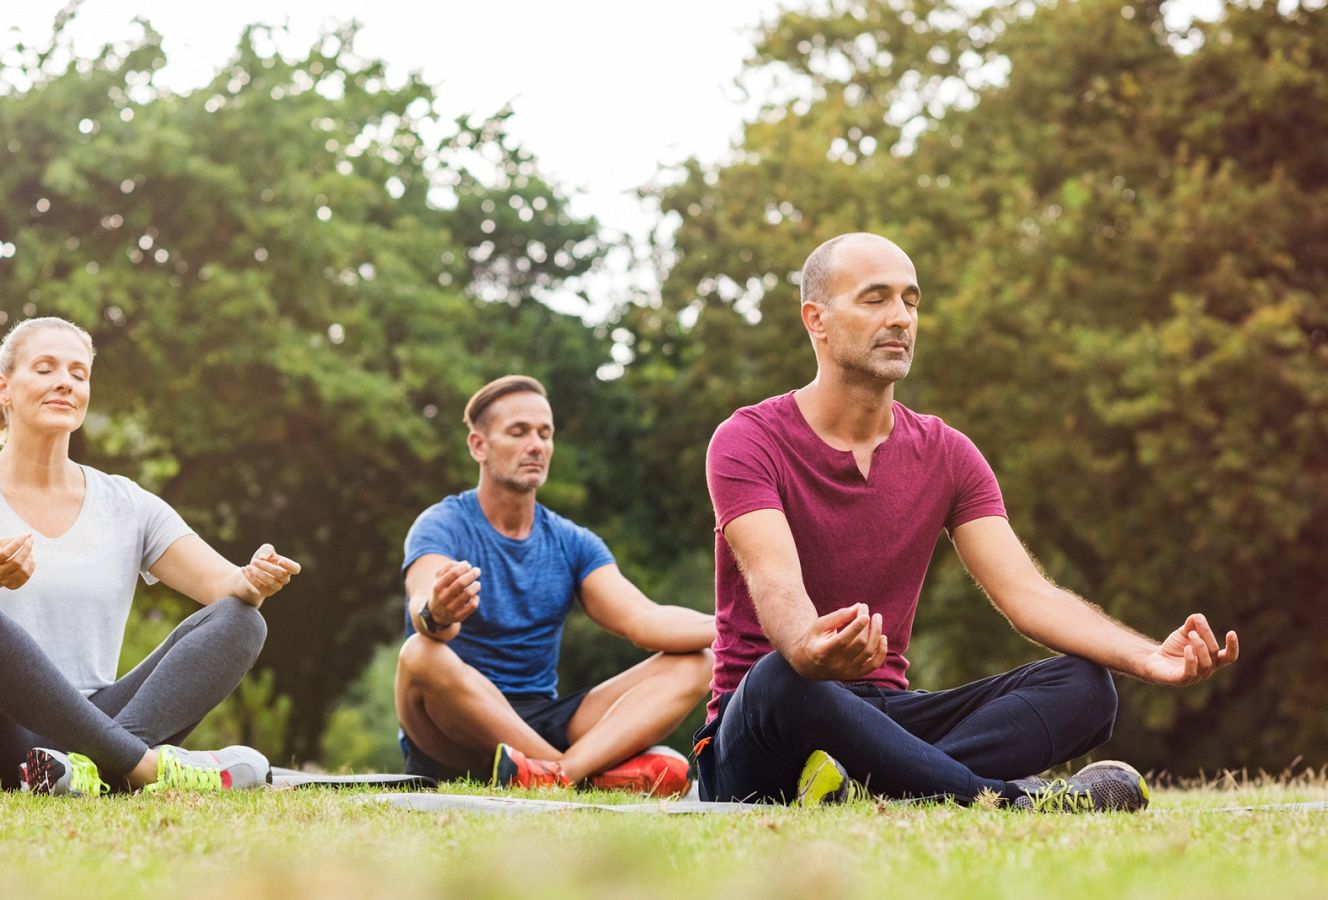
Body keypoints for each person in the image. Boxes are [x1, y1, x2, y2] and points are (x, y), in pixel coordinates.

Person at [695, 233, 1239, 811]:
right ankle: (1008, 802)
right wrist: (807, 646)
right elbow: (775, 582)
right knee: (785, 680)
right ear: (817, 320)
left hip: (883, 714)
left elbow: (1028, 595)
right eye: (875, 299)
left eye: (911, 300)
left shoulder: (948, 453)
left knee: (1086, 686)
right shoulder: (747, 440)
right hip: (764, 730)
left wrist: (1148, 657)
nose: (901, 318)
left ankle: (882, 790)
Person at [0, 317, 302, 795]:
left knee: (243, 622)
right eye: (45, 368)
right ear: (4, 388)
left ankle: (91, 770)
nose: (65, 382)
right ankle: (140, 769)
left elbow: (226, 587)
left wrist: (254, 580)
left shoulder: (127, 503)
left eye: (79, 373)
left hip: (96, 723)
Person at [396, 375, 714, 795]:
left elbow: (644, 620)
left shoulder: (572, 541)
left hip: (543, 718)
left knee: (698, 661)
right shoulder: (442, 524)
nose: (537, 445)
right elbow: (427, 612)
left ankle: (557, 774)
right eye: (519, 432)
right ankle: (579, 773)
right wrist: (437, 611)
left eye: (545, 434)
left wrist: (749, 623)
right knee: (420, 653)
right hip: (453, 729)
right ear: (479, 446)